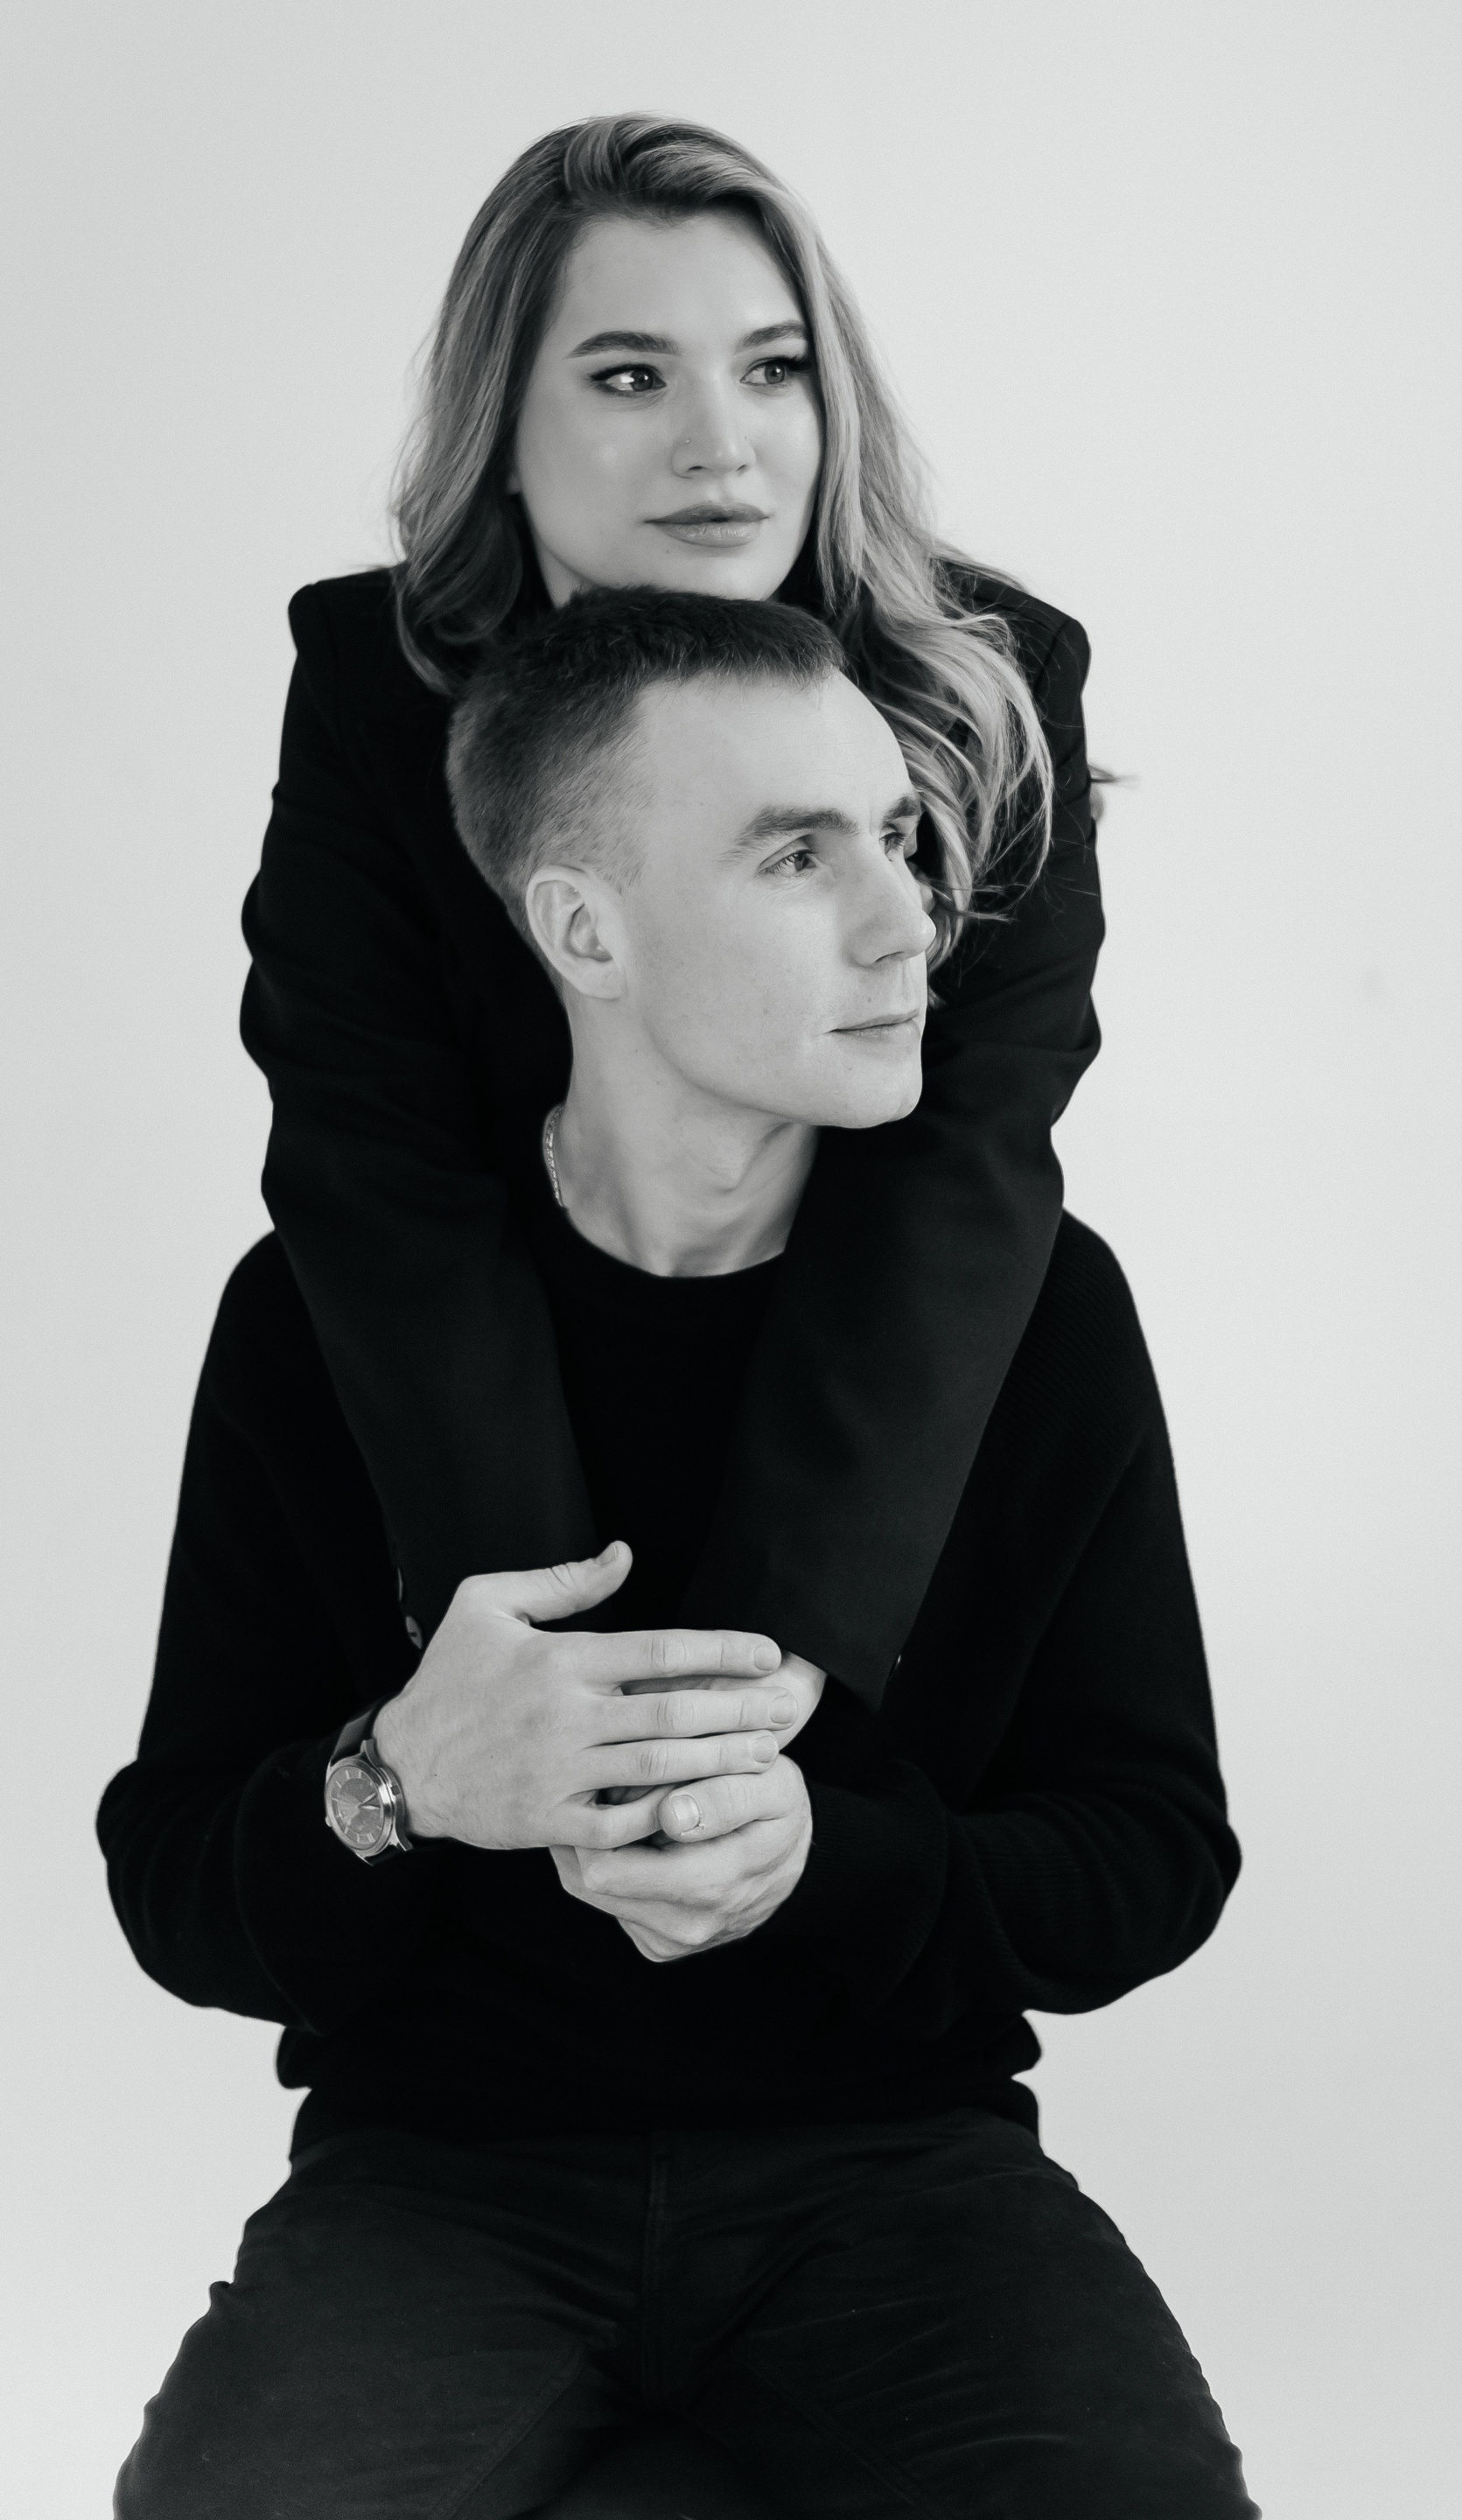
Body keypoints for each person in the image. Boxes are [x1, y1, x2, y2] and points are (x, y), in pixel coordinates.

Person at [101, 590, 1254, 2516]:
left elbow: (1152, 1855)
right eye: (797, 857)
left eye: (900, 838)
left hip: (900, 2175)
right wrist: (401, 1783)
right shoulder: (314, 1320)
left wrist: (831, 1865)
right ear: (584, 931)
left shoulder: (1042, 1313)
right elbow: (175, 1886)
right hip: (438, 2186)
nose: (907, 923)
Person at [241, 112, 1103, 1712]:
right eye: (632, 377)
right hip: (511, 1397)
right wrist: (540, 1654)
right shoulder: (378, 683)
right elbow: (371, 1145)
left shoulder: (988, 682)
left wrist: (767, 1673)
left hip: (860, 1432)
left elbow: (957, 1163)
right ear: (503, 427)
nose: (723, 445)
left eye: (774, 370)